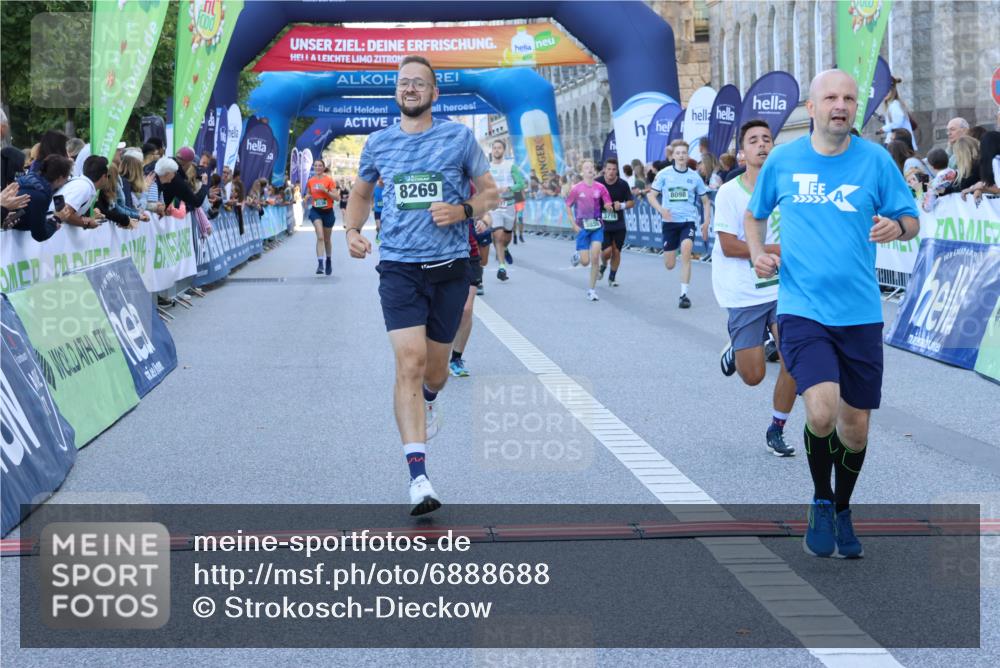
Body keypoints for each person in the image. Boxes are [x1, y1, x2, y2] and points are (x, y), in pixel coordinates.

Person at [745, 69, 919, 559]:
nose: (840, 105)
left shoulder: (876, 161)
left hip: (861, 312)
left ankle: (842, 507)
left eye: (847, 98)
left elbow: (910, 218)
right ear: (813, 106)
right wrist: (758, 251)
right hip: (803, 309)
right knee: (820, 411)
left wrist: (896, 228)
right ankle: (821, 498)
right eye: (830, 97)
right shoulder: (784, 160)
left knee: (854, 427)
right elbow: (753, 213)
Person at [342, 55, 498, 515]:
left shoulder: (458, 137)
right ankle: (419, 479)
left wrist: (463, 210)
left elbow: (490, 192)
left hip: (449, 266)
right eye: (403, 83)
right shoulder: (378, 143)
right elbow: (362, 192)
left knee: (435, 372)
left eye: (419, 83)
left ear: (435, 93)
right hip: (399, 269)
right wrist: (352, 231)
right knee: (408, 362)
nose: (410, 88)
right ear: (396, 92)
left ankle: (429, 399)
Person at [712, 120, 798, 457]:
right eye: (753, 140)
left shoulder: (787, 190)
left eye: (766, 139)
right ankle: (737, 348)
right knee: (753, 376)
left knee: (794, 360)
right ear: (742, 153)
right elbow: (729, 246)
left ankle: (777, 427)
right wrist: (775, 250)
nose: (762, 144)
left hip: (783, 291)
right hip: (744, 293)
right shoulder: (730, 193)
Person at [649, 141, 711, 309]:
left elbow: (705, 201)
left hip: (687, 221)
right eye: (678, 153)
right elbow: (651, 196)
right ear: (673, 156)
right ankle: (672, 251)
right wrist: (662, 210)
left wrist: (706, 222)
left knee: (686, 250)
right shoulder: (664, 174)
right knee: (669, 265)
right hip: (669, 222)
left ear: (687, 155)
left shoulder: (694, 176)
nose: (681, 155)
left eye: (684, 152)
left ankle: (684, 295)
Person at [566, 158, 613, 301]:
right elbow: (568, 205)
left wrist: (608, 206)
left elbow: (607, 201)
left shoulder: (600, 187)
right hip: (582, 228)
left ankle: (591, 290)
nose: (590, 169)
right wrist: (573, 224)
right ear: (582, 172)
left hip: (597, 226)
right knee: (585, 262)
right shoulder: (576, 189)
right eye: (587, 168)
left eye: (592, 167)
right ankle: (577, 255)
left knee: (595, 257)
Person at [449, 215, 490, 377]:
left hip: (469, 253)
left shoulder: (470, 189)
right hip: (438, 253)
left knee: (466, 309)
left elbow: (486, 212)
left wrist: (484, 222)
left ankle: (456, 359)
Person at [3, 155, 71, 240]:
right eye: (66, 178)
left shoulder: (25, 179)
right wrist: (56, 219)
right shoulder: (40, 195)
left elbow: (25, 215)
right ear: (60, 178)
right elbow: (39, 234)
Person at [487, 139, 525, 281]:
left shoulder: (511, 166)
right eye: (494, 148)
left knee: (507, 236)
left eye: (499, 148)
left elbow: (521, 184)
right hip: (494, 205)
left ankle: (505, 248)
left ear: (504, 150)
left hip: (509, 204)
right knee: (498, 235)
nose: (496, 150)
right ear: (492, 150)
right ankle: (502, 267)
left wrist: (509, 188)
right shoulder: (487, 167)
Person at [596, 157, 634, 287]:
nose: (611, 172)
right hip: (603, 224)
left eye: (614, 169)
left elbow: (631, 202)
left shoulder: (623, 184)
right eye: (609, 169)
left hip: (619, 224)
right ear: (604, 170)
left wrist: (622, 205)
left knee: (616, 251)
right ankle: (603, 265)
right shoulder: (597, 183)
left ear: (617, 171)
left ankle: (612, 277)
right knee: (607, 252)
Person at [51, 155, 112, 230]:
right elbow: (65, 213)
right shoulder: (84, 187)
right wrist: (87, 223)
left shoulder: (83, 185)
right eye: (108, 176)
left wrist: (89, 219)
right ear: (103, 177)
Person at [305, 159, 338, 275]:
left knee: (327, 239)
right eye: (316, 166)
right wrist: (307, 196)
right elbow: (309, 193)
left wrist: (326, 191)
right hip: (316, 211)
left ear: (324, 168)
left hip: (328, 212)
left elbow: (337, 197)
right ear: (313, 167)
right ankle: (320, 264)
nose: (318, 167)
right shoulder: (310, 181)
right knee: (320, 237)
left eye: (320, 166)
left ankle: (328, 260)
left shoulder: (329, 181)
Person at [878, 77, 917, 150]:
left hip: (900, 145)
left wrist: (883, 129)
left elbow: (897, 123)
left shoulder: (895, 105)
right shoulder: (893, 105)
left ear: (893, 91)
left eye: (888, 91)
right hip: (897, 143)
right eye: (883, 91)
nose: (885, 93)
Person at [373, 177, 384, 244]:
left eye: (382, 178)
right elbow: (371, 198)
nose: (381, 180)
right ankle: (378, 234)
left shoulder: (386, 188)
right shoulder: (375, 188)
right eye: (379, 178)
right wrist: (372, 205)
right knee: (378, 226)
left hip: (385, 211)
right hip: (377, 210)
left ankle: (383, 237)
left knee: (383, 226)